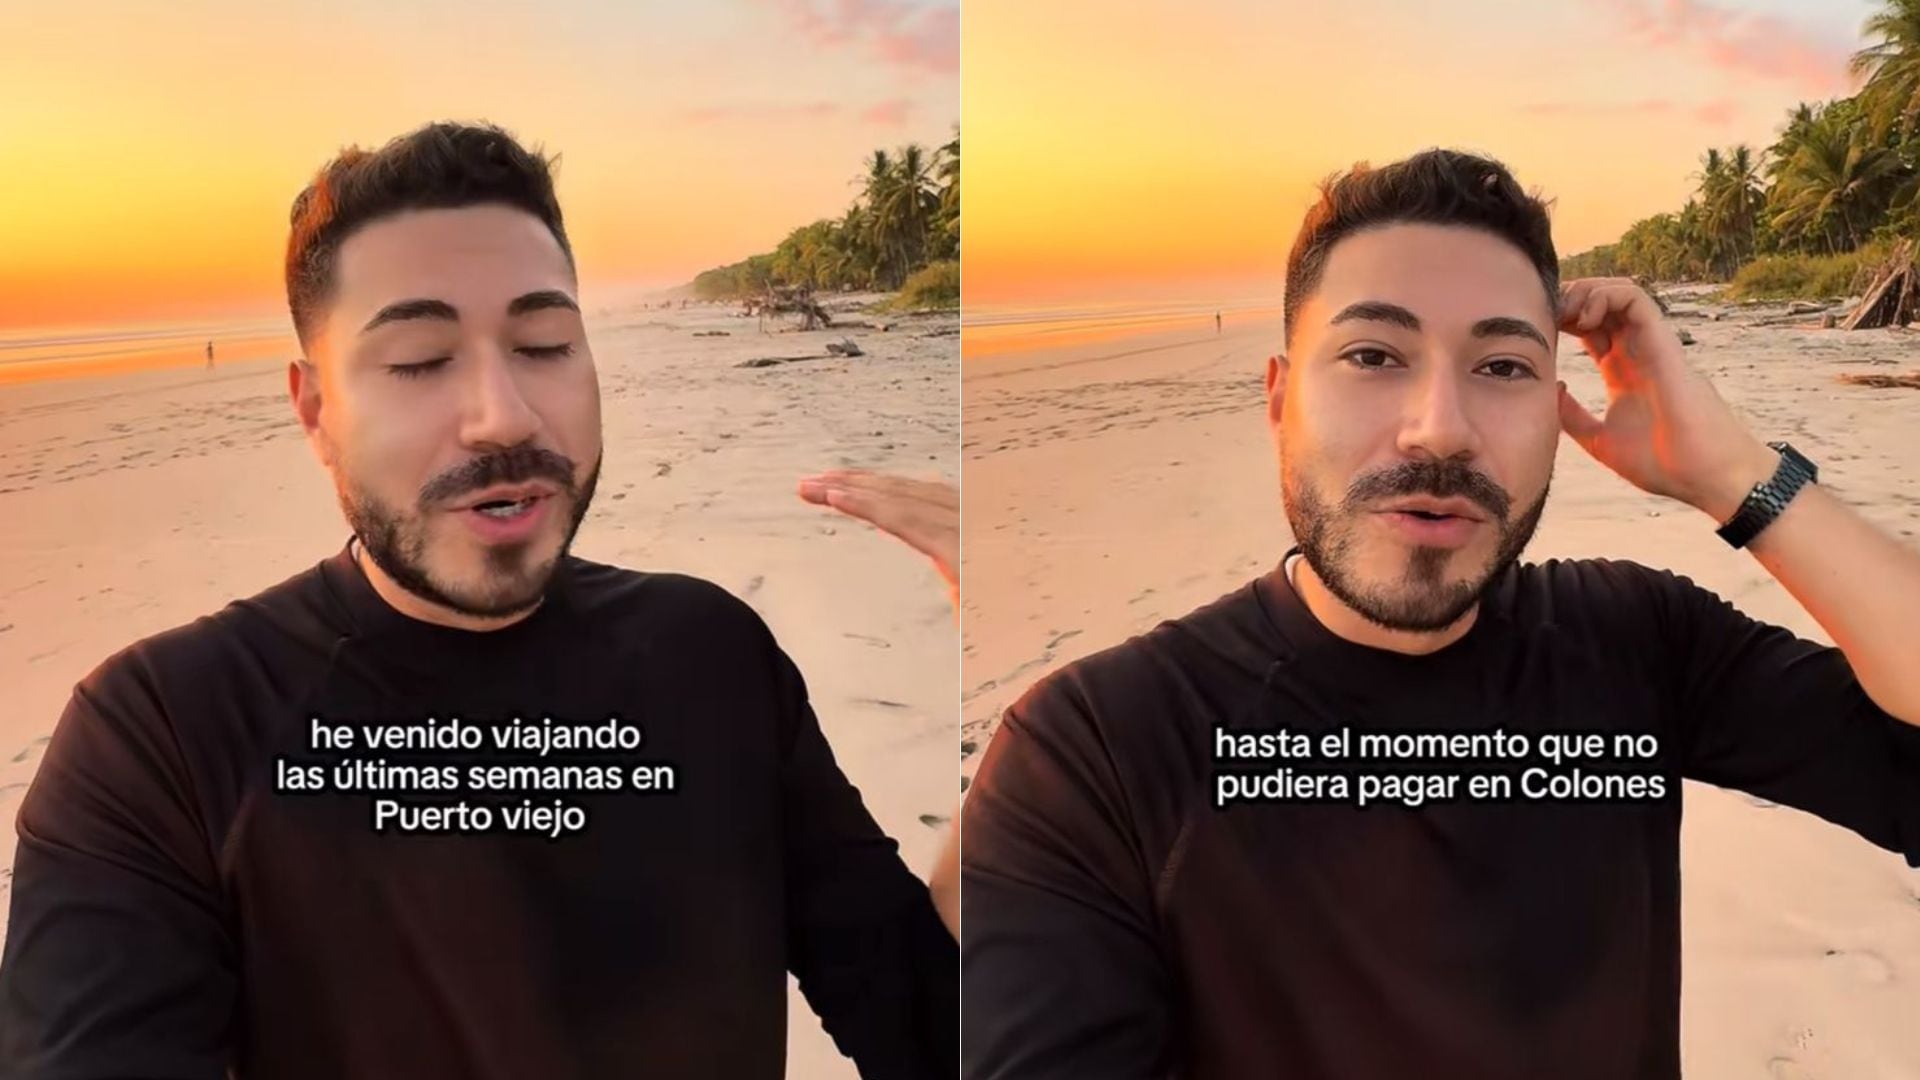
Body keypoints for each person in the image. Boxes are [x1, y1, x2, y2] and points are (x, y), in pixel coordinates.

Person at [0, 122, 957, 1080]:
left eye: (545, 344)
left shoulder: (712, 653)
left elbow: (933, 1014)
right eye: (421, 359)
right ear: (315, 411)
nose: (504, 415)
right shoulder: (164, 734)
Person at [960, 149, 1920, 1079]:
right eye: (1373, 355)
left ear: (1557, 411)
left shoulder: (1638, 638)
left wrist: (1733, 475)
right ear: (1280, 399)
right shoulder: (1095, 752)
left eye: (1501, 367)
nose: (1442, 431)